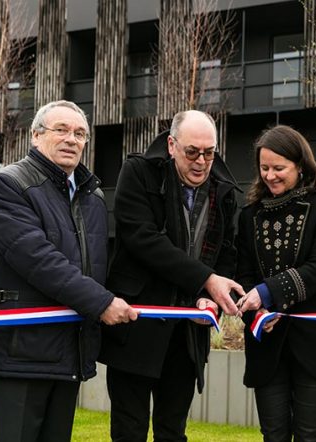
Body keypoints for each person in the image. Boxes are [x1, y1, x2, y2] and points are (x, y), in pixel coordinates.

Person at [0, 100, 138, 442]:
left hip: (70, 350)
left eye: (80, 133)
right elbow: (39, 260)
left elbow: (98, 268)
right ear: (36, 136)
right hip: (23, 351)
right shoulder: (7, 185)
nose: (72, 139)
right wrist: (102, 303)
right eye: (62, 130)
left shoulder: (93, 196)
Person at [98, 110, 244, 442]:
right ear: (171, 145)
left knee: (172, 431)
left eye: (210, 152)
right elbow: (142, 239)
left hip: (187, 336)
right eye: (192, 152)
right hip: (136, 326)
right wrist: (207, 279)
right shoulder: (138, 172)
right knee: (129, 430)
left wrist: (211, 298)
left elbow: (227, 253)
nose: (202, 161)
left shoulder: (225, 189)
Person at [236, 125, 316, 441]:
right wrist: (255, 315)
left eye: (279, 168)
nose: (270, 175)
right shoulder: (249, 215)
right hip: (267, 344)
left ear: (300, 165)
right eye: (264, 168)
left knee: (310, 434)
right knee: (273, 434)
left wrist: (268, 294)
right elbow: (243, 276)